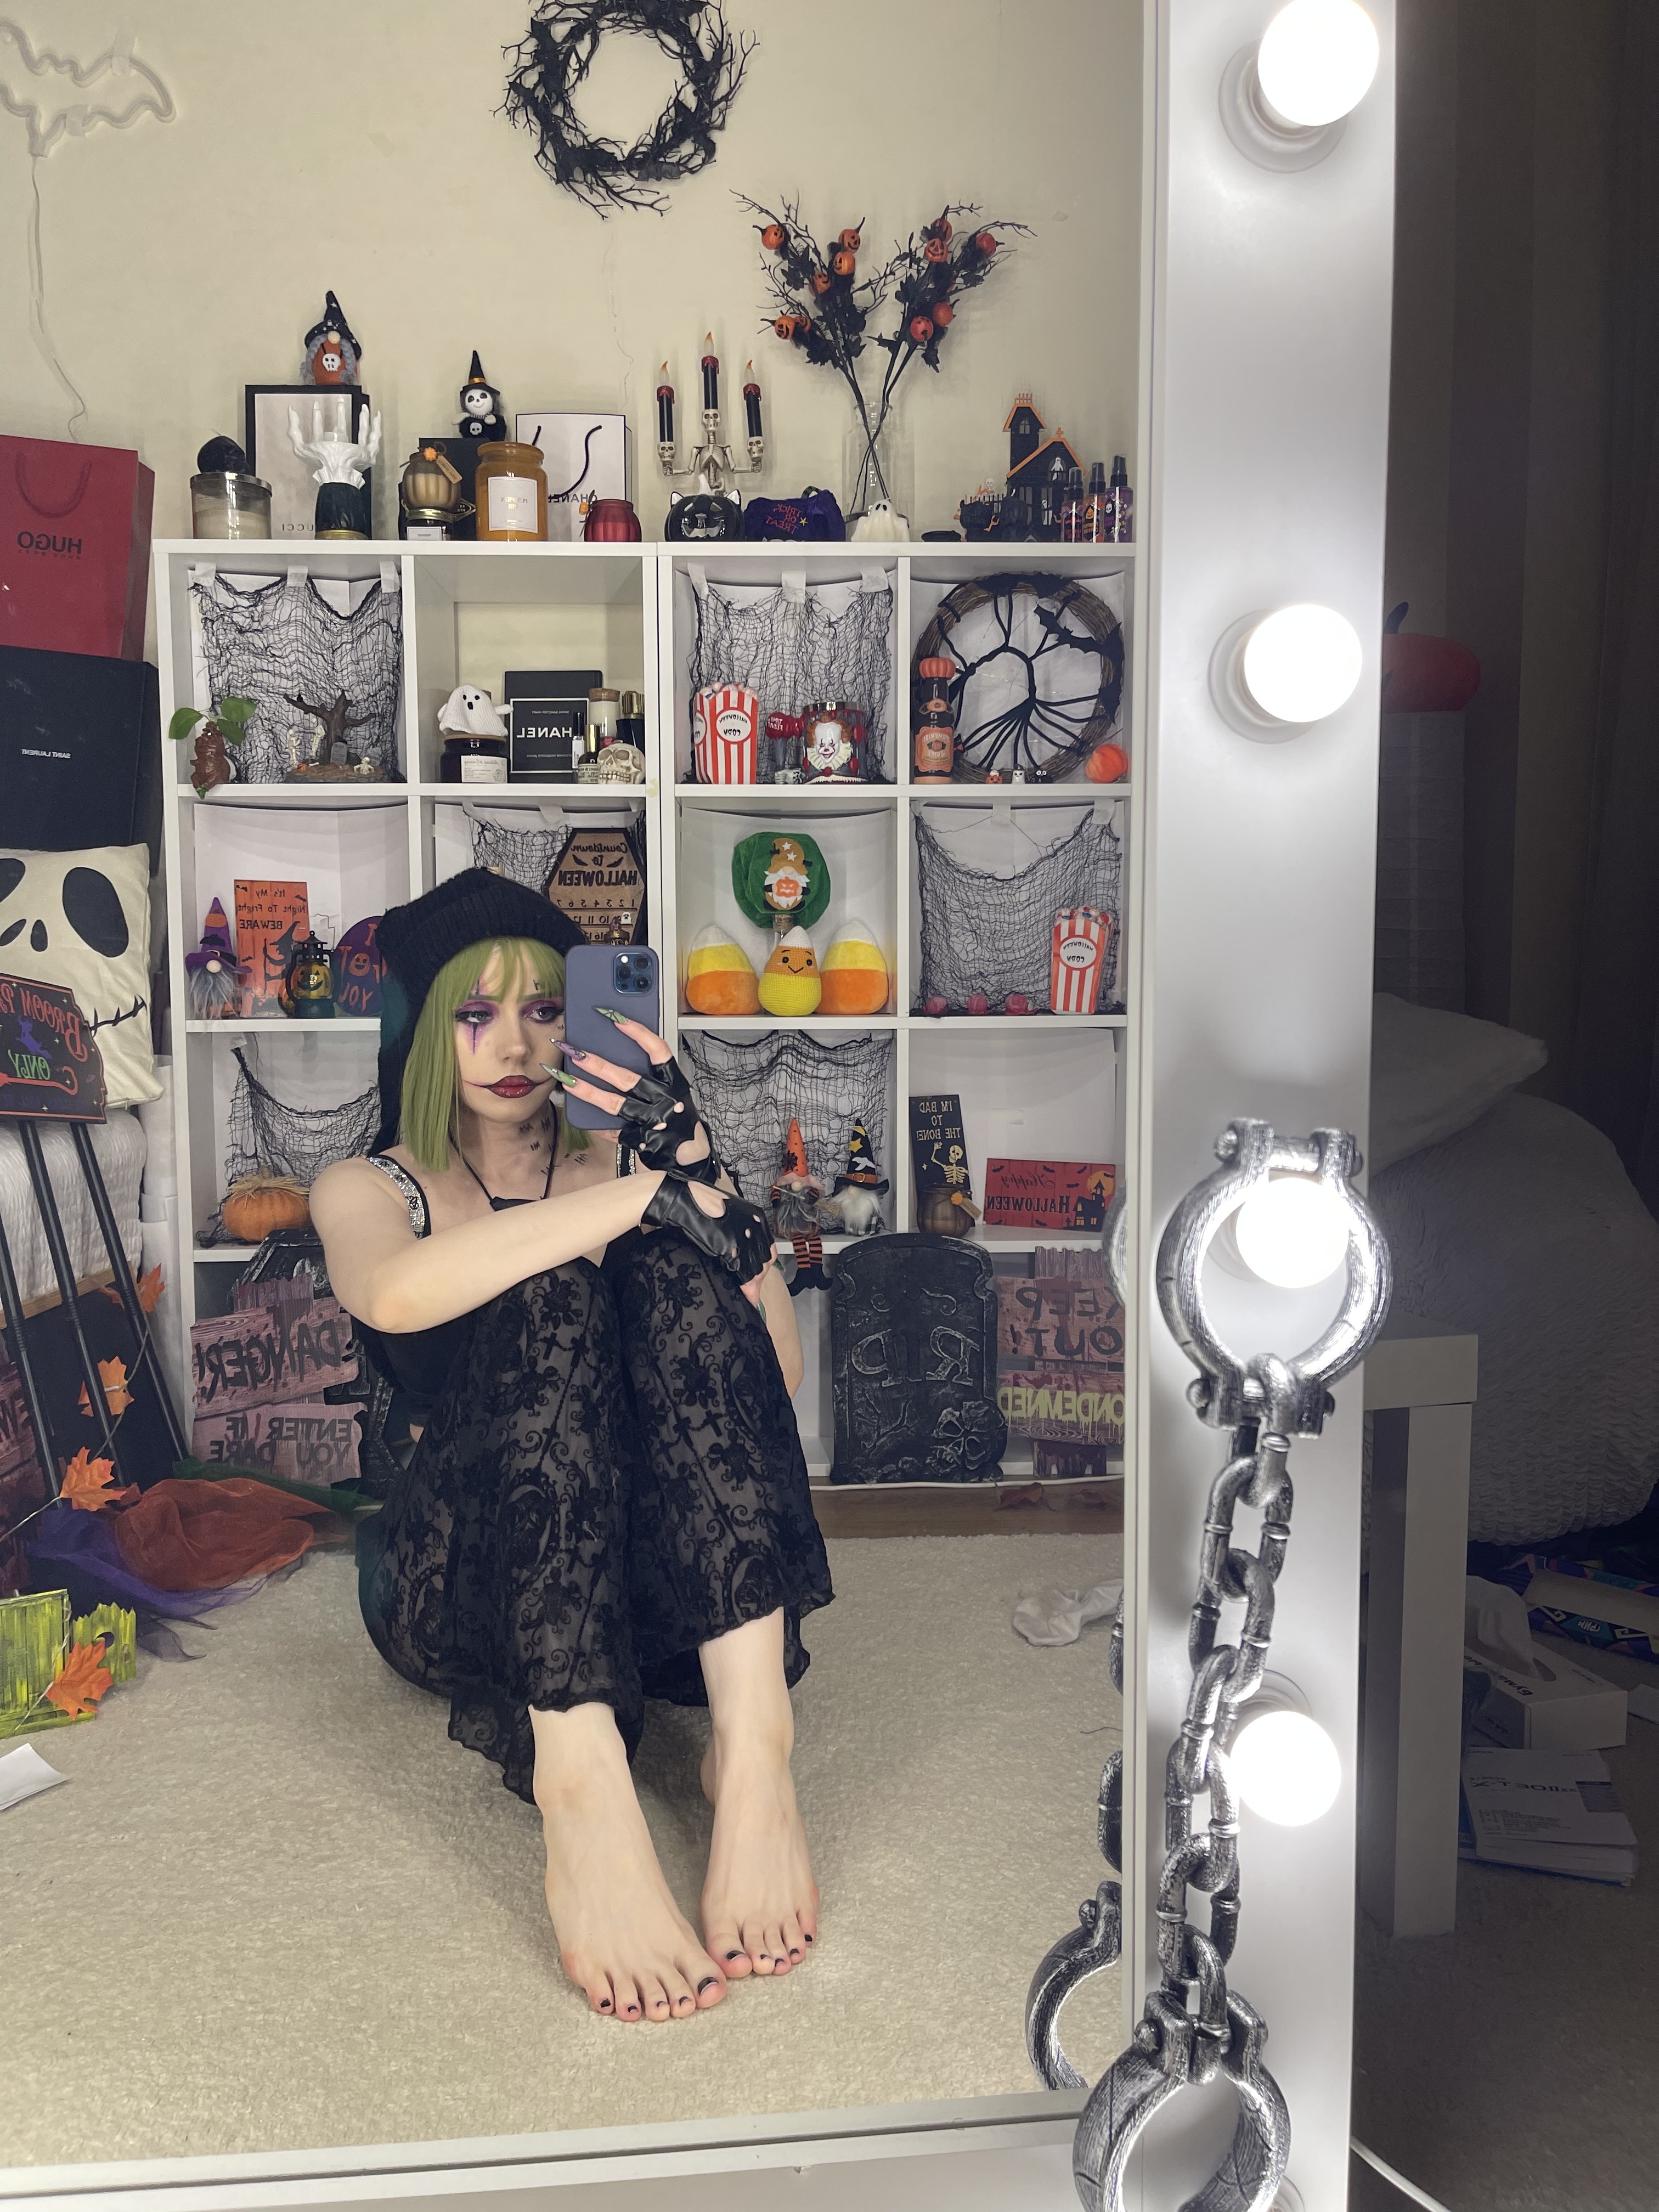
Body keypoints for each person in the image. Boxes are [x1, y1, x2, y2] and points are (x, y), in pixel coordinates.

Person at [311, 871, 833, 2025]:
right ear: (423, 1029)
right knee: (550, 1290)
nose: (515, 1045)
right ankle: (582, 1785)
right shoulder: (369, 1184)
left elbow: (773, 1377)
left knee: (671, 1270)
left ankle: (755, 1753)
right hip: (464, 1587)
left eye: (546, 1010)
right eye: (474, 1013)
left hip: (660, 1598)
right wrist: (641, 1203)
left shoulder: (634, 1170)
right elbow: (392, 1294)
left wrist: (696, 1174)